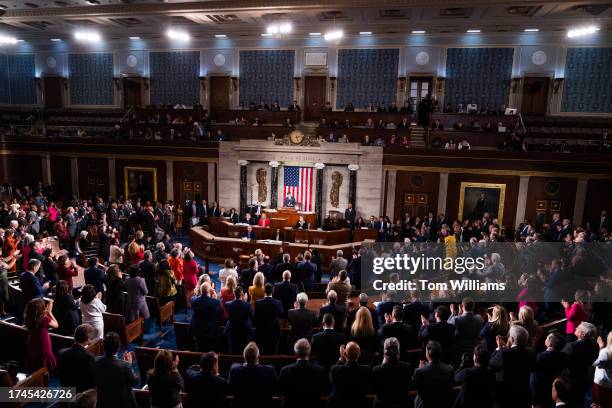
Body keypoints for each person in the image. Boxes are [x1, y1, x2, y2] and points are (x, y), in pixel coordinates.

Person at [489, 325, 535, 408]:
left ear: (511, 339)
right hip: (523, 395)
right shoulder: (531, 353)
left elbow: (490, 363)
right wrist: (505, 348)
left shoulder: (503, 354)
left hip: (504, 397)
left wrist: (499, 349)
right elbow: (515, 354)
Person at [279, 339, 330, 408]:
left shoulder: (285, 370)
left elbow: (280, 393)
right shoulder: (320, 370)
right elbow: (325, 392)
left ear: (295, 353)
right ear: (309, 353)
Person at [92, 332, 138, 408]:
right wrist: (129, 365)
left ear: (103, 346)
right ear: (119, 347)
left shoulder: (94, 361)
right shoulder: (125, 366)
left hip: (101, 402)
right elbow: (135, 382)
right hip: (121, 403)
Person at [228, 342, 278, 408]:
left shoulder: (234, 370)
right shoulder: (269, 370)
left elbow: (230, 390)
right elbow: (276, 390)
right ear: (258, 357)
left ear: (244, 356)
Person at [562, 321, 599, 406]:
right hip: (584, 377)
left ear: (583, 334)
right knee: (579, 401)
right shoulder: (595, 345)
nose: (575, 328)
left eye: (578, 328)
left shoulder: (571, 346)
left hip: (570, 380)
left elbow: (562, 362)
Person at [371, 337, 414, 408]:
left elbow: (374, 390)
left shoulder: (377, 370)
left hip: (382, 405)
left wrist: (382, 365)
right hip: (402, 404)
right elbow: (409, 386)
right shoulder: (407, 367)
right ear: (398, 350)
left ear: (384, 352)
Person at [329, 342, 371, 408]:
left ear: (345, 354)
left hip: (340, 404)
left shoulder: (336, 369)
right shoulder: (366, 370)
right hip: (359, 404)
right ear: (359, 354)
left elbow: (331, 380)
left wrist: (341, 358)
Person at [413, 340, 454, 408]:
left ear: (428, 353)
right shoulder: (450, 369)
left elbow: (416, 388)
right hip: (443, 404)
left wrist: (420, 369)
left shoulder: (419, 372)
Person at [532, 332, 568, 408]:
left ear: (550, 343)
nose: (546, 339)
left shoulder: (540, 357)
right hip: (555, 387)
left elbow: (534, 376)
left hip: (541, 389)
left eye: (547, 338)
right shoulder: (564, 356)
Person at [57, 324, 96, 393]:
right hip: (80, 397)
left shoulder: (61, 352)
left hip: (65, 394)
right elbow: (92, 379)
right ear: (88, 339)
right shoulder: (89, 357)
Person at [24, 297, 58, 371]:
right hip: (43, 344)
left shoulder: (29, 317)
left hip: (32, 342)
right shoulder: (44, 319)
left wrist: (45, 312)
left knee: (36, 362)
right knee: (44, 366)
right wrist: (49, 312)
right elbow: (56, 325)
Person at [190, 282, 222, 352]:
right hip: (210, 331)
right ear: (210, 291)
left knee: (199, 348)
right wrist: (215, 298)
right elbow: (219, 313)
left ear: (201, 290)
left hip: (198, 330)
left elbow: (194, 298)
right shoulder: (215, 302)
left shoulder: (194, 301)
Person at [253, 283, 283, 354]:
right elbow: (281, 314)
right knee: (273, 351)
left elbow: (254, 316)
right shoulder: (278, 303)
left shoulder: (258, 303)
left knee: (261, 351)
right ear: (273, 291)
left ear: (264, 291)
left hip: (261, 330)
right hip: (274, 330)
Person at [224, 286, 253, 354]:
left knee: (233, 347)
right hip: (245, 329)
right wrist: (245, 301)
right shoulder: (248, 305)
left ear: (234, 294)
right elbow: (250, 315)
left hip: (233, 328)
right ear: (242, 294)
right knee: (244, 347)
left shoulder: (228, 304)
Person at [593, 331, 612, 408]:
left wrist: (600, 347)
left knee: (599, 403)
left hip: (602, 382)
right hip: (610, 383)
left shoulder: (606, 352)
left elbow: (595, 363)